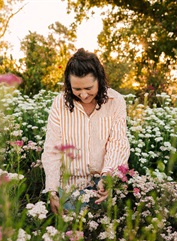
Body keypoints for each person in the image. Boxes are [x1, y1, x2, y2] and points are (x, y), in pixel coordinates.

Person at [41, 48, 130, 214]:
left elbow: (118, 142)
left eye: (89, 88)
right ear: (68, 85)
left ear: (100, 80)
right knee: (72, 233)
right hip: (69, 184)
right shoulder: (60, 104)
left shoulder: (115, 101)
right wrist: (52, 190)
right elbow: (52, 148)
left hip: (102, 183)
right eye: (76, 89)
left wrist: (107, 178)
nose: (83, 94)